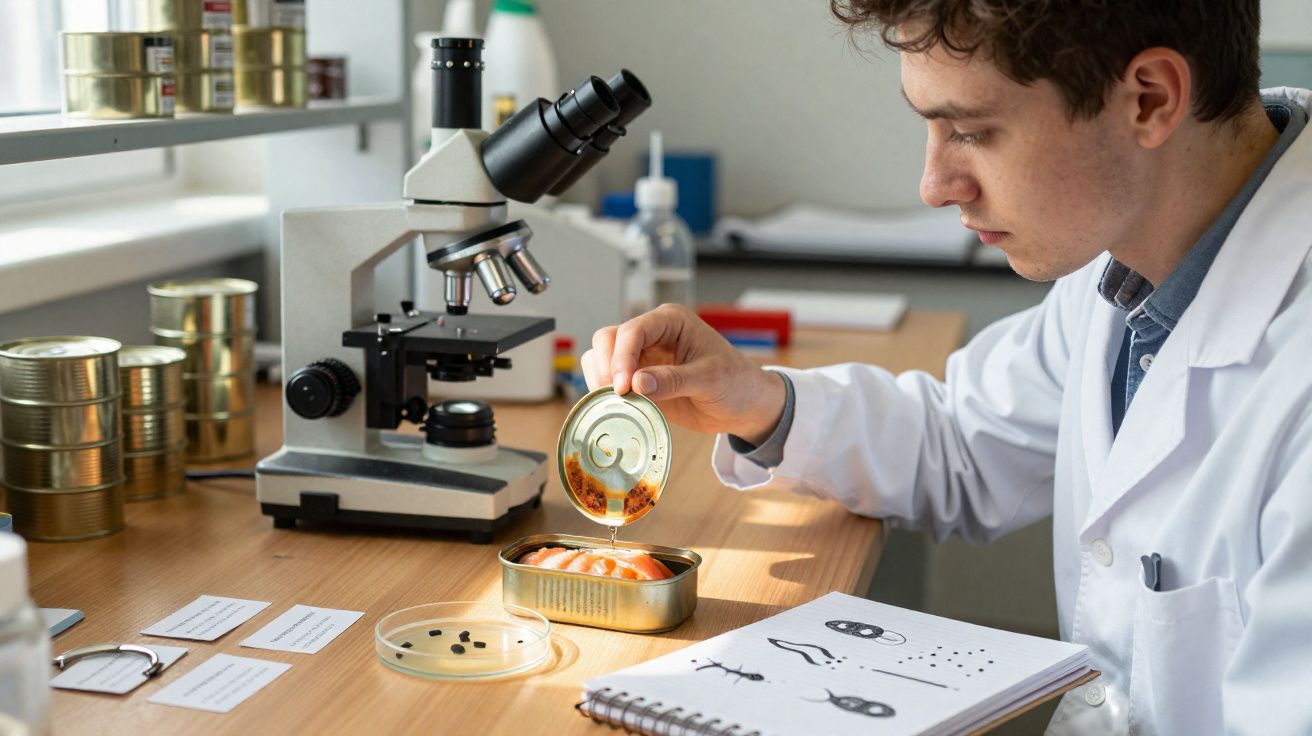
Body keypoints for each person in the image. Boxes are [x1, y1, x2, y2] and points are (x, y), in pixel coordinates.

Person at [581, 1, 1312, 734]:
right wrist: (757, 402)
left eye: (971, 131)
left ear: (1149, 99)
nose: (934, 185)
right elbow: (966, 441)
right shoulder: (1130, 258)